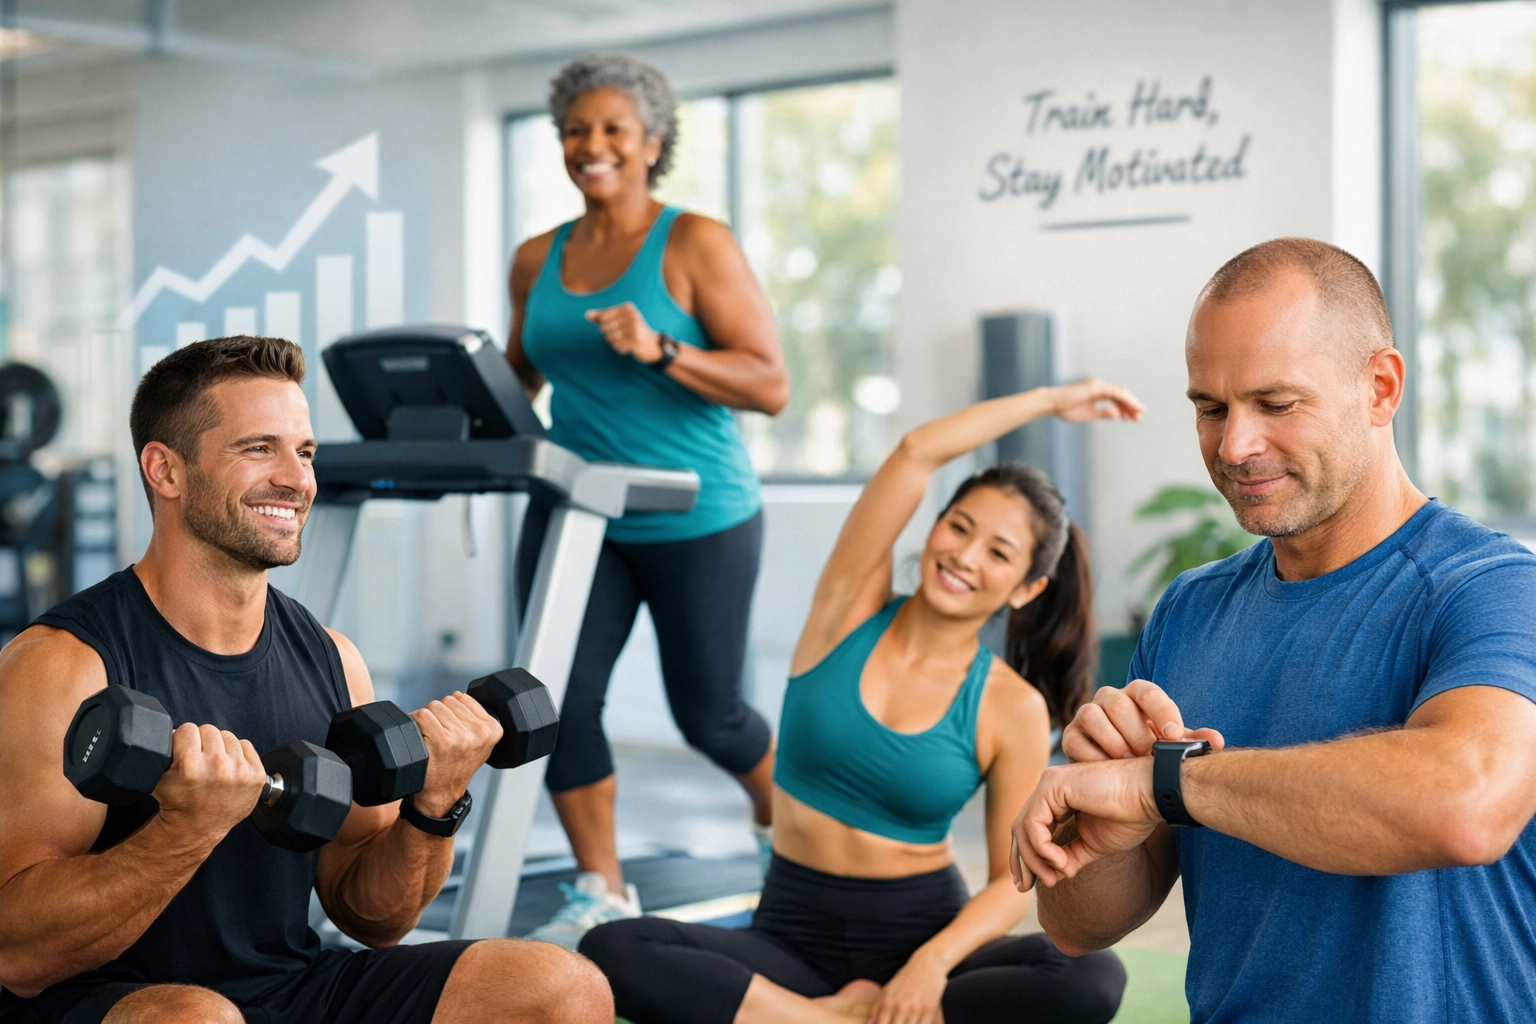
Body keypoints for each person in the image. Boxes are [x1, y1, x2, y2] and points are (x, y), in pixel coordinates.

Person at [0, 337, 613, 1024]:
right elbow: (17, 955)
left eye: (306, 452)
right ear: (165, 470)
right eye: (259, 449)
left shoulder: (331, 658)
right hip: (106, 1005)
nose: (296, 480)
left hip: (288, 987)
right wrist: (185, 829)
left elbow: (371, 917)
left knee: (559, 988)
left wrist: (433, 806)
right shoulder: (64, 664)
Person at [1011, 238, 1536, 1022]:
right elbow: (1081, 926)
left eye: (1276, 404)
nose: (1234, 447)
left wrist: (1165, 783)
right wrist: (1101, 832)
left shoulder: (1492, 588)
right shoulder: (1190, 611)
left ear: (1381, 389)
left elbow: (1467, 805)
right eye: (1210, 408)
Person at [580, 380, 1140, 1024]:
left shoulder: (1009, 705)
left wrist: (928, 968)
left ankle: (796, 1018)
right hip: (789, 931)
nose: (963, 555)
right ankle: (834, 1020)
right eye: (958, 527)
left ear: (1026, 587)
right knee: (614, 947)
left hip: (921, 929)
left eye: (998, 552)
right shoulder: (844, 614)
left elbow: (1009, 879)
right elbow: (914, 452)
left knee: (1090, 975)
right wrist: (1049, 401)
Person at [505, 52, 788, 948]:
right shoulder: (534, 259)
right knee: (555, 700)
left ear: (651, 142)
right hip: (579, 507)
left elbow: (769, 383)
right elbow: (518, 381)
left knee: (710, 712)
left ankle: (798, 839)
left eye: (612, 130)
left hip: (696, 511)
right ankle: (601, 886)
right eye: (575, 131)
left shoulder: (696, 241)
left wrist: (664, 349)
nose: (592, 146)